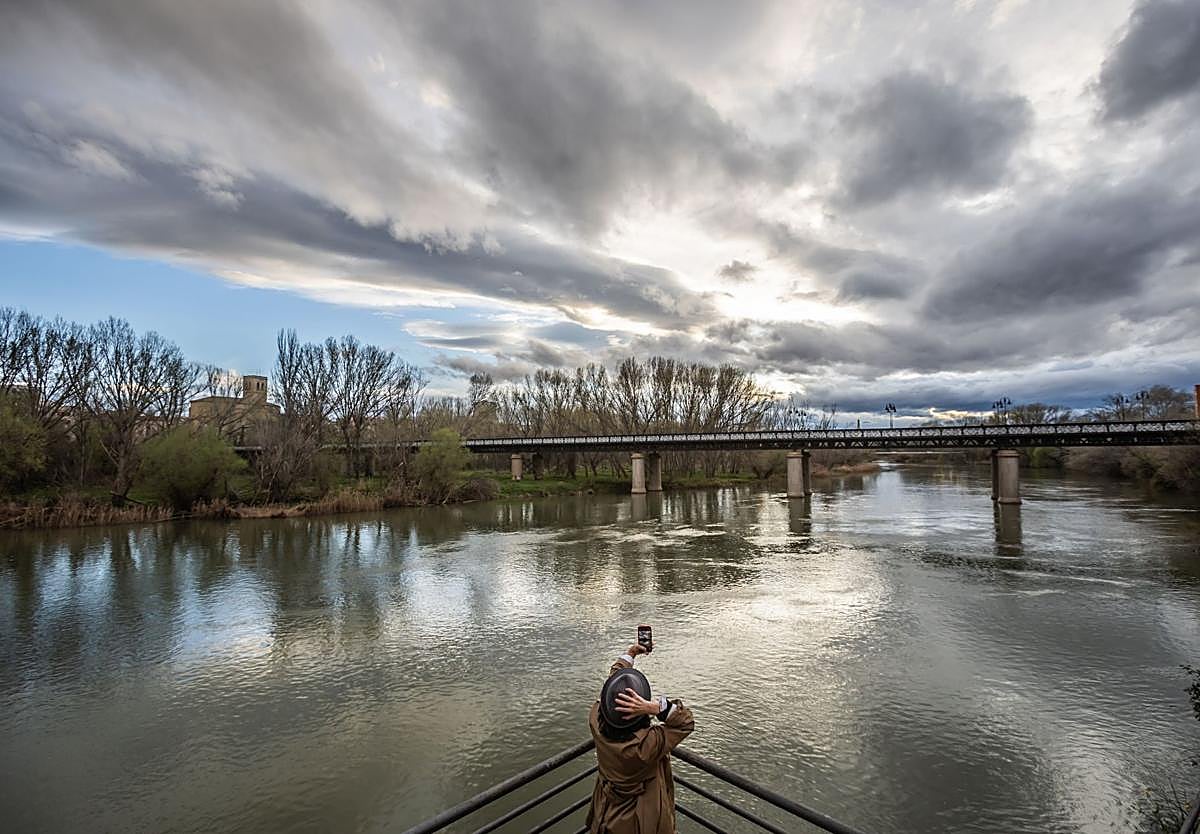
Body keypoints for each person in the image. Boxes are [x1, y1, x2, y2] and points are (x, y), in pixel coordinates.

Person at [586, 642, 694, 834]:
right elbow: (685, 722)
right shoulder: (646, 744)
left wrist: (630, 654)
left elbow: (611, 689)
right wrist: (653, 707)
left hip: (606, 810)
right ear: (640, 713)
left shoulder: (596, 720)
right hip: (639, 820)